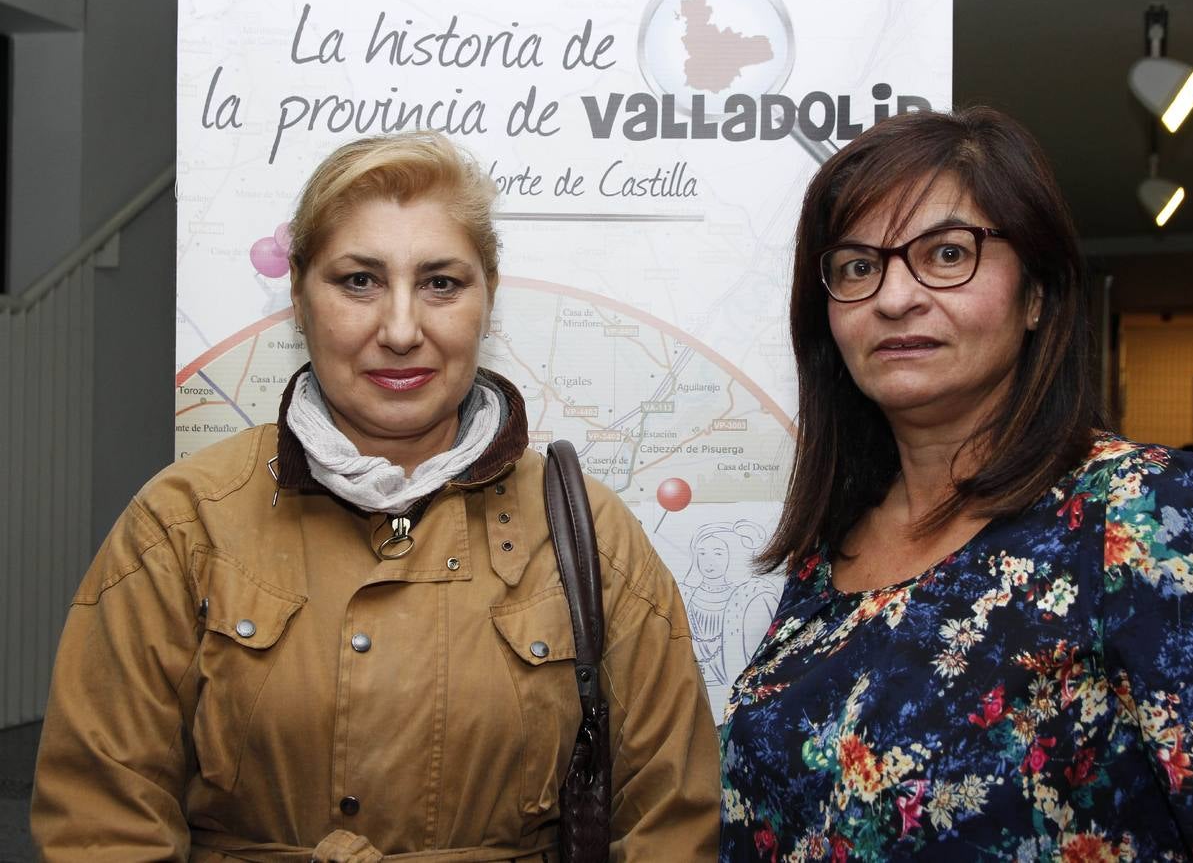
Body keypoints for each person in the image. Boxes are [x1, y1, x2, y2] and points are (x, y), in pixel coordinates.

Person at [32, 132, 721, 861]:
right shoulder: (182, 523)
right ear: (300, 296)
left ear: (488, 295)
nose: (400, 330)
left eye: (441, 283)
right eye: (359, 280)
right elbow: (101, 823)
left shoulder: (588, 533)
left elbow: (669, 822)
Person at [718, 108, 1193, 860]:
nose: (894, 297)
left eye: (947, 253)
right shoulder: (828, 553)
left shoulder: (1153, 514)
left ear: (1038, 295)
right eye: (858, 266)